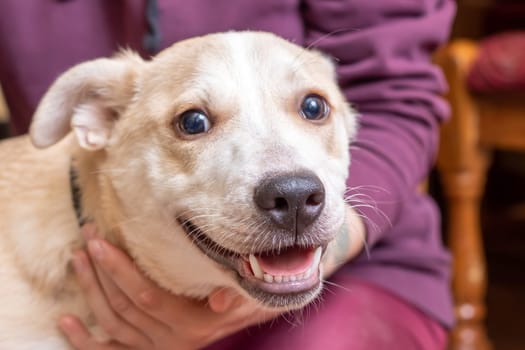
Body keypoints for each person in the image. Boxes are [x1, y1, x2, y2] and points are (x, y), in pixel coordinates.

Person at [0, 1, 456, 349]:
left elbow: (396, 96)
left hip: (366, 266)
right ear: (103, 120)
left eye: (311, 108)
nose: (291, 187)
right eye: (193, 122)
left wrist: (340, 241)